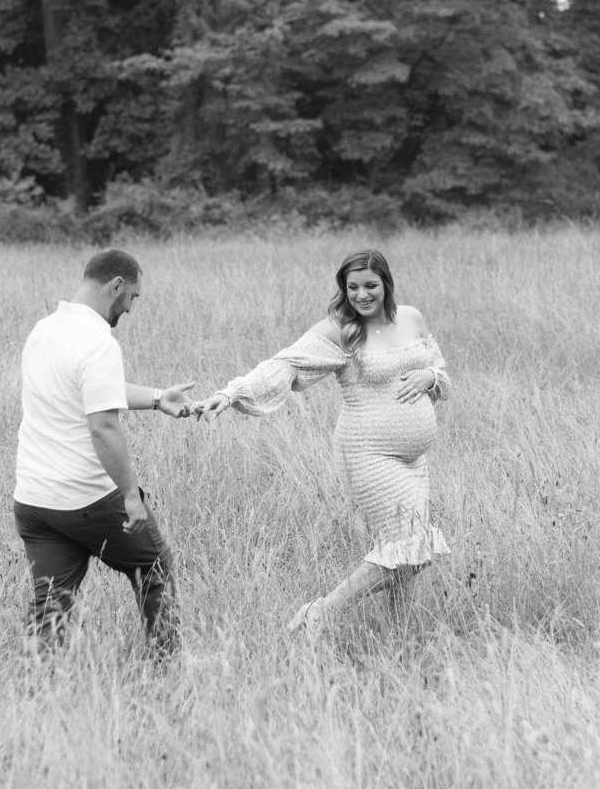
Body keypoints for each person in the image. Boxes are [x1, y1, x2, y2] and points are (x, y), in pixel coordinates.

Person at [192, 249, 452, 634]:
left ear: (386, 284)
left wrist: (430, 377)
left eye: (370, 286)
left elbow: (441, 373)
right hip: (369, 453)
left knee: (407, 556)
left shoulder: (411, 318)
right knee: (407, 547)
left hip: (415, 461)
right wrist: (231, 394)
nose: (361, 295)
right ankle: (323, 611)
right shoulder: (341, 330)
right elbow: (285, 365)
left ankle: (401, 639)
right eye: (352, 288)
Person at [13, 248, 196, 656]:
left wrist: (156, 398)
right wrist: (131, 497)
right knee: (155, 567)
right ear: (115, 285)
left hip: (35, 500)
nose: (130, 309)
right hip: (87, 497)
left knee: (50, 605)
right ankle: (168, 666)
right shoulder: (98, 341)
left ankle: (33, 688)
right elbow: (103, 425)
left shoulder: (45, 329)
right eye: (132, 297)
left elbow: (90, 391)